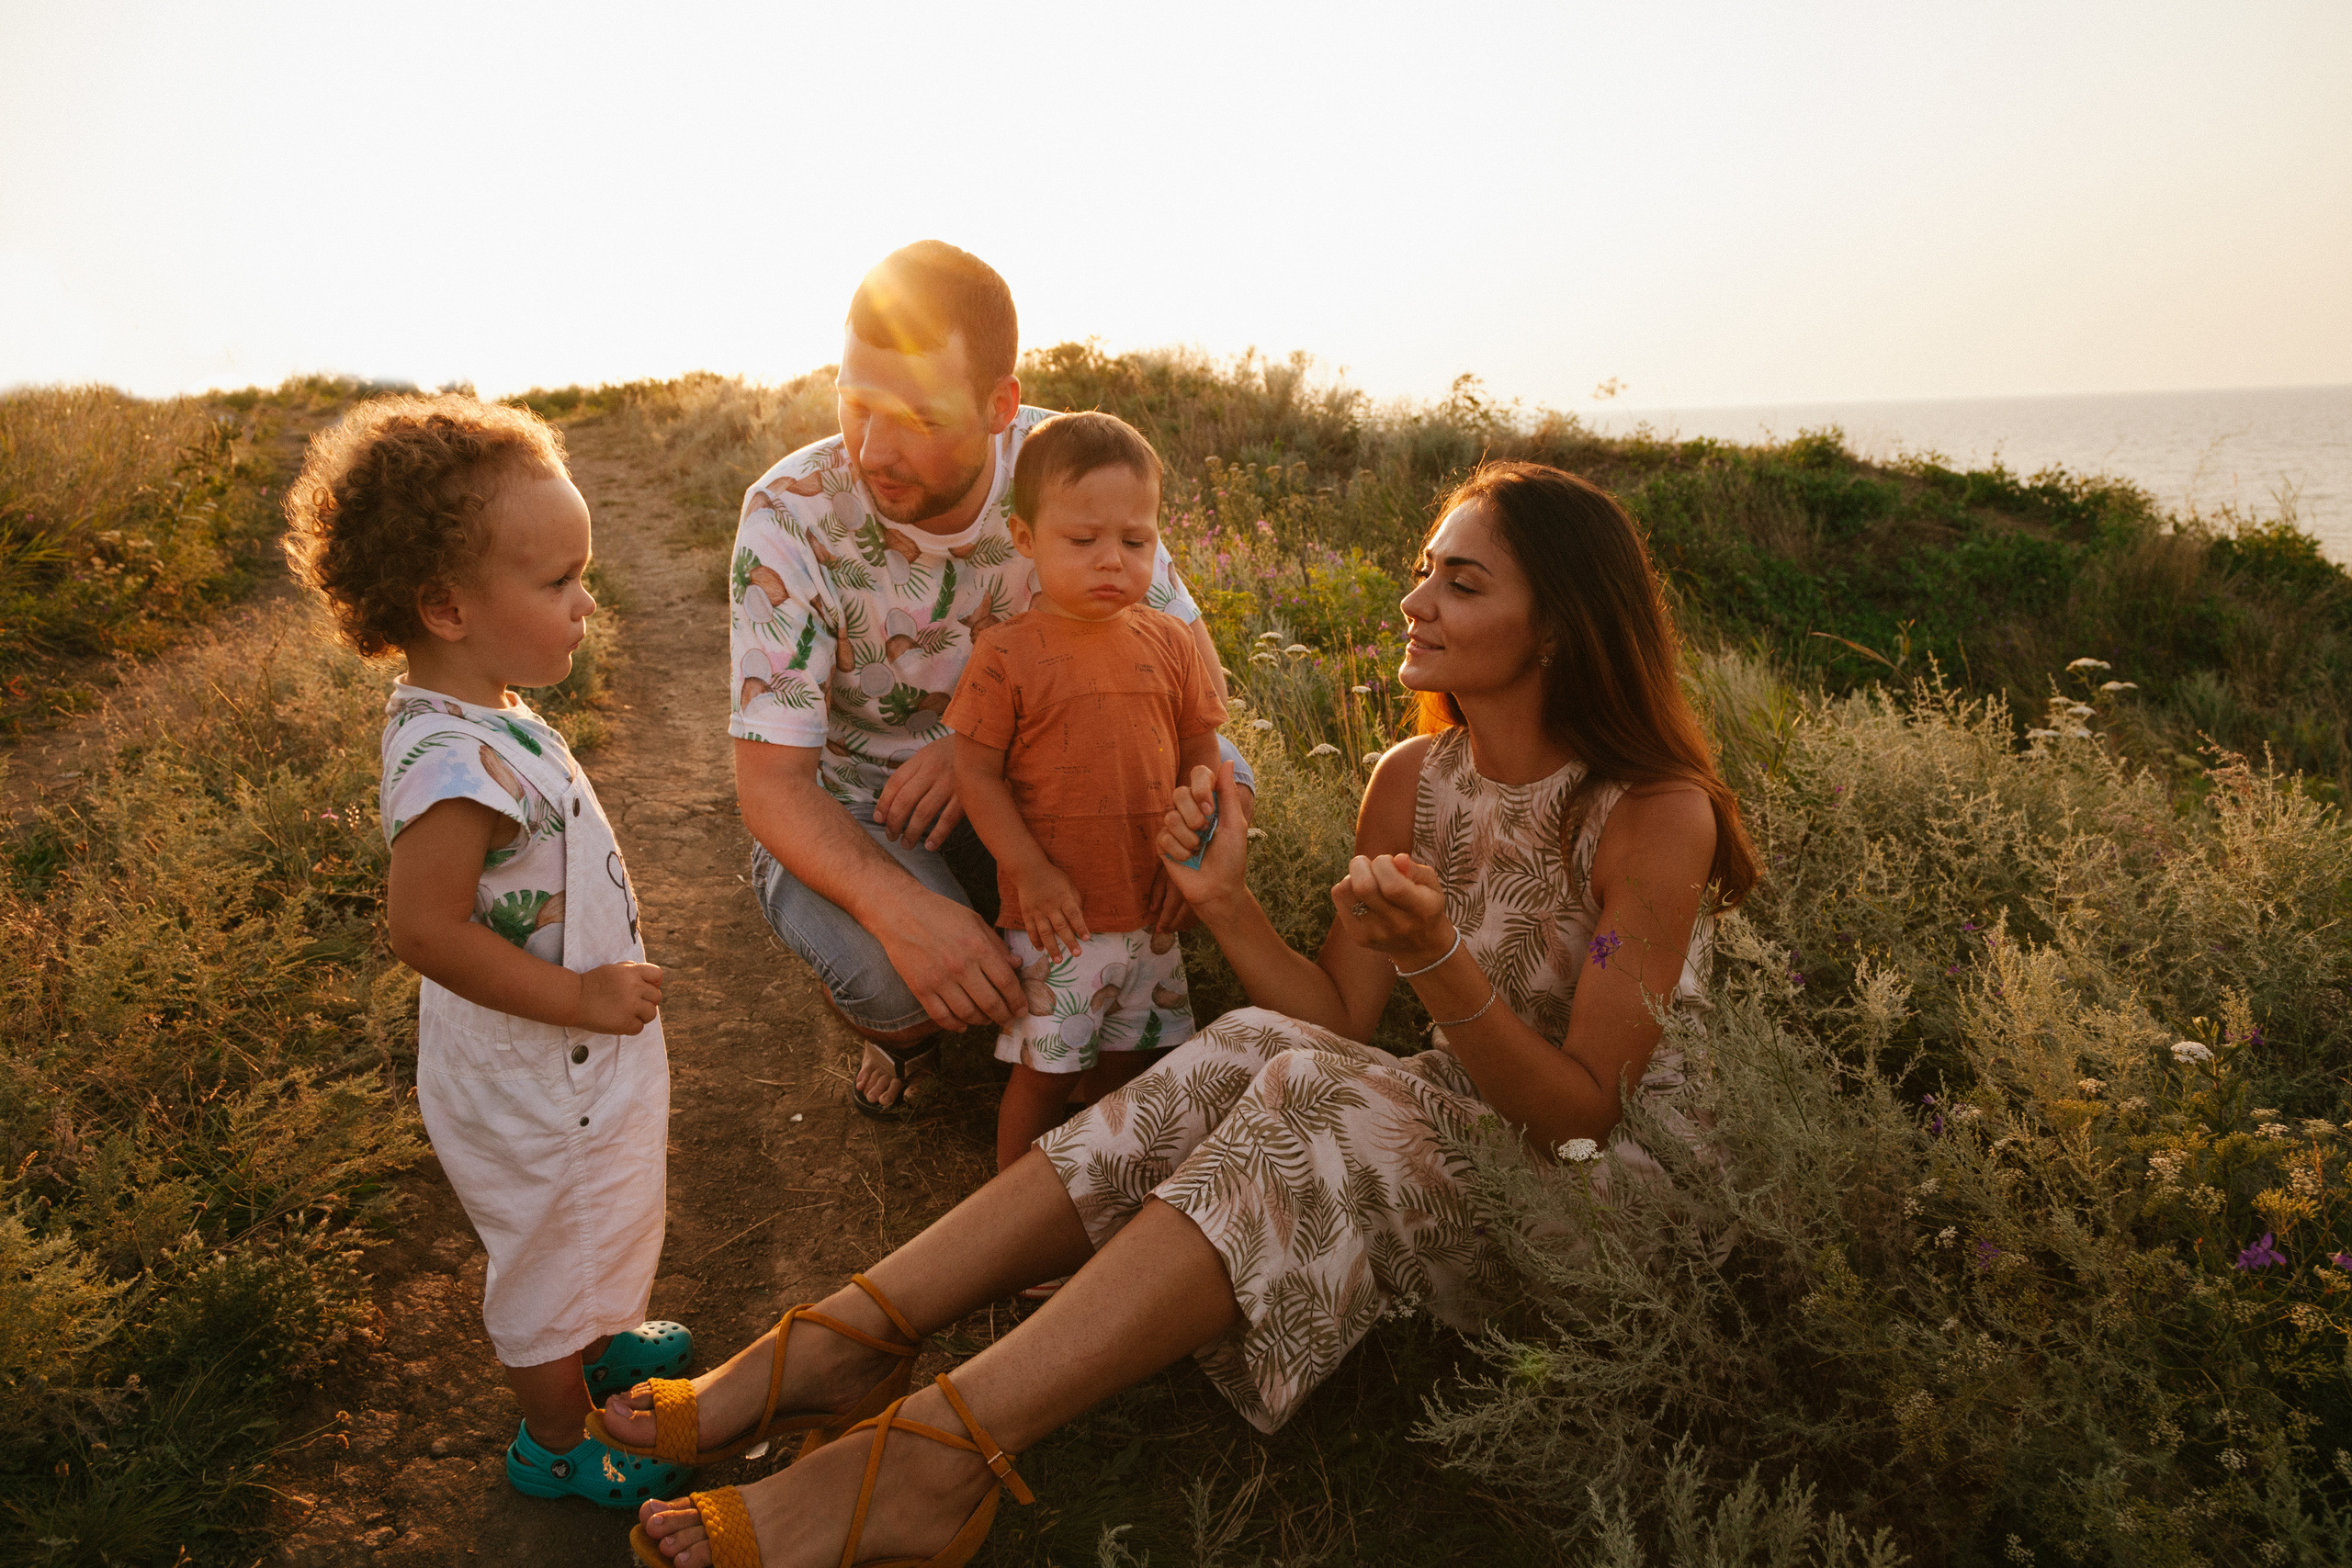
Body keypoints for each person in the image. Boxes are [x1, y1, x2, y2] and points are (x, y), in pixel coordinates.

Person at [596, 460, 1760, 1568]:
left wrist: (1444, 963)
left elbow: (1584, 1118)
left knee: (1311, 1095)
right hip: (1470, 1124)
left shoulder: (1652, 815)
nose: (1415, 601)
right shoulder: (1409, 781)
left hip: (1610, 1207)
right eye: (1425, 568)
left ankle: (934, 1458)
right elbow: (1341, 1017)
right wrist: (1224, 905)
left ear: (1558, 626)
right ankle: (848, 1342)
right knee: (1255, 1045)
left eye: (1462, 583)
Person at [283, 396, 694, 1509]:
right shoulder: (448, 763)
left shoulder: (487, 710)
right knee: (545, 1249)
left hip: (560, 1057)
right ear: (447, 605)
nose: (585, 601)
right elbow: (423, 928)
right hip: (528, 1068)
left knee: (595, 1206)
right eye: (557, 582)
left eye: (582, 573)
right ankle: (557, 1439)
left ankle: (598, 1339)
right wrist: (577, 993)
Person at [728, 241, 1250, 1117]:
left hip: (1032, 766)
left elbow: (1190, 669)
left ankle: (1080, 989)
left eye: (920, 418)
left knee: (1227, 776)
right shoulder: (790, 512)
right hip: (859, 805)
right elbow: (772, 788)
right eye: (856, 405)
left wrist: (982, 757)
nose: (873, 449)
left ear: (1000, 405)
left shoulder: (1067, 469)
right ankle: (904, 1035)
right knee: (894, 983)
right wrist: (899, 912)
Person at [944, 412, 1226, 1174]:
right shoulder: (1006, 652)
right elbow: (975, 773)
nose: (1113, 562)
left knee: (1130, 1067)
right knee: (1045, 1075)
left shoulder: (1169, 643)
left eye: (1136, 542)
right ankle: (1008, 1228)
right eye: (1083, 541)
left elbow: (1201, 748)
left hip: (1151, 908)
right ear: (1026, 538)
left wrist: (1194, 854)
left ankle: (1095, 1198)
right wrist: (1029, 871)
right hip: (1060, 919)